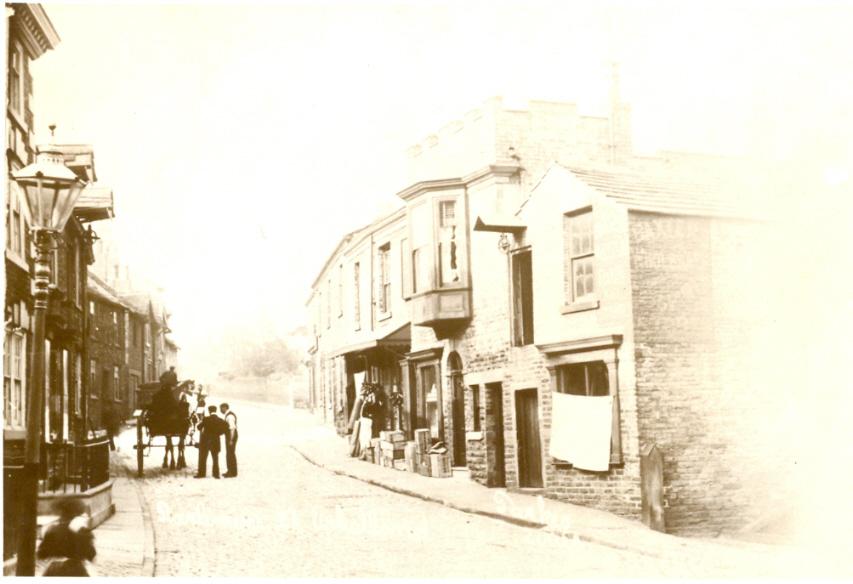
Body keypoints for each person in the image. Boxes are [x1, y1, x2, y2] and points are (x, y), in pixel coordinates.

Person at [37, 499, 96, 576]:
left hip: (54, 570)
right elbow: (91, 554)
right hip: (76, 569)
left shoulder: (52, 529)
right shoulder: (82, 531)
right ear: (77, 514)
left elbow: (42, 554)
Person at [194, 405, 226, 479]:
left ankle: (201, 474)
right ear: (216, 410)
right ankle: (216, 474)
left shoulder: (206, 419)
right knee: (215, 458)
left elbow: (199, 427)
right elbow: (225, 428)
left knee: (203, 458)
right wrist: (219, 433)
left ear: (209, 411)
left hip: (206, 441)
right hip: (216, 441)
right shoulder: (220, 420)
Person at [219, 403, 238, 478]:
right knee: (230, 453)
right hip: (231, 435)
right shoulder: (229, 415)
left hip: (231, 436)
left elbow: (232, 428)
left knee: (230, 454)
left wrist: (231, 439)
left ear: (224, 408)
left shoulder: (229, 416)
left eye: (221, 408)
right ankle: (232, 471)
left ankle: (231, 472)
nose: (220, 410)